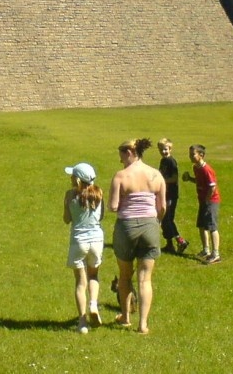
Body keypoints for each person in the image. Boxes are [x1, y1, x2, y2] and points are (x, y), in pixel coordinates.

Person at [108, 138, 166, 335]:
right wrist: (155, 221)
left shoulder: (121, 176)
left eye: (121, 156)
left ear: (130, 153)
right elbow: (163, 207)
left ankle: (125, 317)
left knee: (125, 275)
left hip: (127, 227)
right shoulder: (156, 174)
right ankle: (142, 324)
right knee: (145, 278)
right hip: (150, 226)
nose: (121, 161)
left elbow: (113, 207)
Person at [63, 162, 105, 334]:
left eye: (73, 176)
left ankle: (82, 322)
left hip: (78, 241)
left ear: (78, 180)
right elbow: (100, 217)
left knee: (80, 282)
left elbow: (67, 219)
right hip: (96, 240)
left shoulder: (70, 195)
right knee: (93, 275)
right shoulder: (99, 194)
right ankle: (93, 304)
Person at [182, 144, 222, 264]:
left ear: (201, 155)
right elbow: (200, 182)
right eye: (189, 154)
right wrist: (190, 178)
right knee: (201, 225)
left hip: (210, 201)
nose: (190, 156)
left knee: (211, 226)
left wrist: (207, 200)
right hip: (203, 201)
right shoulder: (196, 167)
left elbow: (212, 187)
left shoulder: (206, 169)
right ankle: (206, 250)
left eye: (193, 154)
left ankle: (216, 254)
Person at [157, 139, 189, 254]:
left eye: (165, 149)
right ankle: (169, 244)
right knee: (164, 219)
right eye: (161, 149)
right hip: (164, 194)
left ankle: (180, 241)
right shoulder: (163, 161)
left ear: (170, 149)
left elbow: (174, 178)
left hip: (171, 195)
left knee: (168, 219)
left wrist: (161, 181)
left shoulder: (171, 162)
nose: (163, 152)